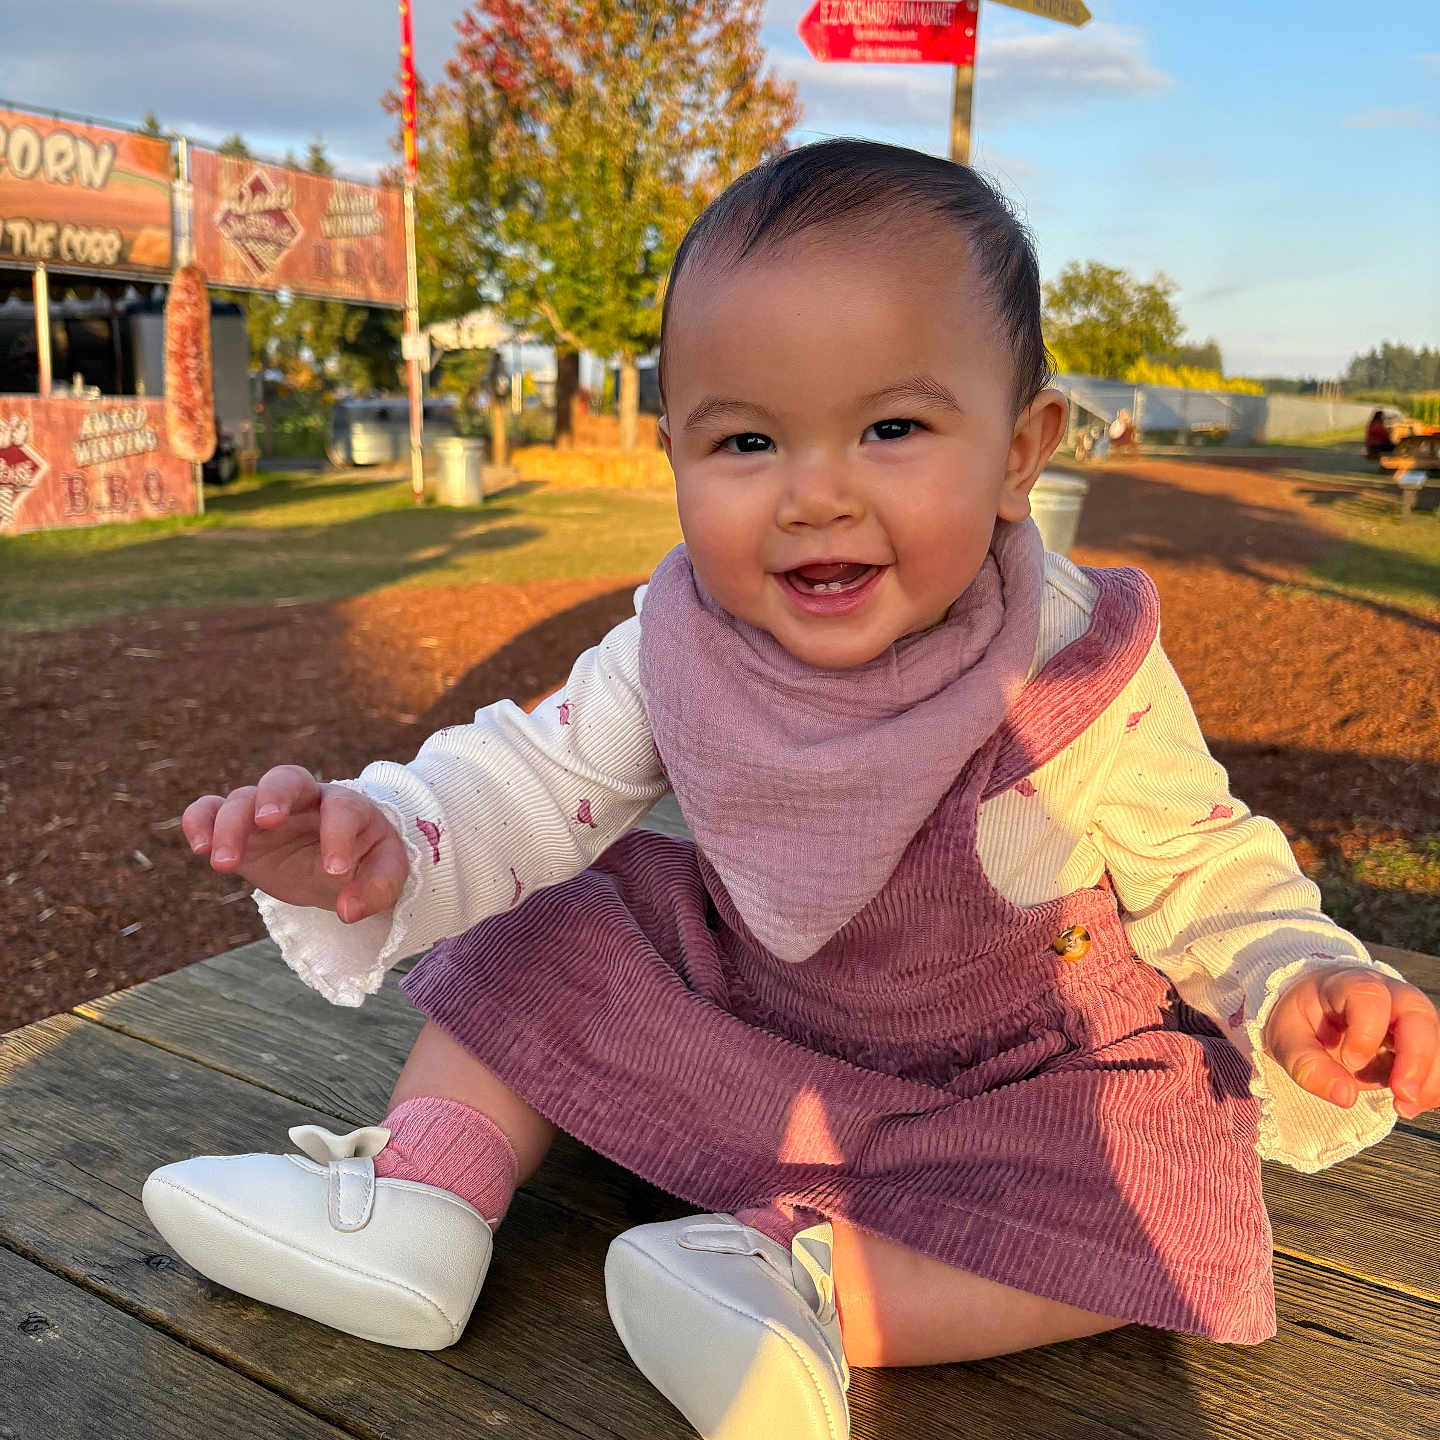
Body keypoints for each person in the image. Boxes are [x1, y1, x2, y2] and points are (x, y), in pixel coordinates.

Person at [143, 141, 1438, 1440]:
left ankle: (806, 1293)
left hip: (1001, 1080)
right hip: (747, 1008)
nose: (815, 493)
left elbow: (1208, 865)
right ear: (678, 454)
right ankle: (421, 1203)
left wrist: (1293, 974)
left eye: (891, 428)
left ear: (1020, 449)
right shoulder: (681, 638)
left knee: (1169, 1156)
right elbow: (532, 779)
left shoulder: (1081, 656)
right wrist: (389, 843)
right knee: (552, 915)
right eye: (749, 439)